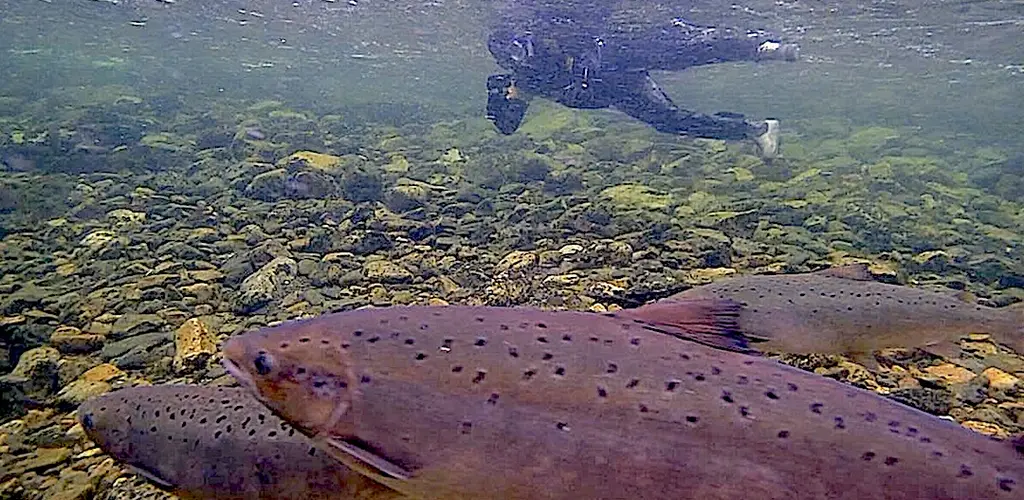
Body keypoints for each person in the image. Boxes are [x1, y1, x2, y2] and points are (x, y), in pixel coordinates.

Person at [485, 16, 799, 159]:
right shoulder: (525, 78)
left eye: (523, 46)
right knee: (669, 120)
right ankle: (755, 130)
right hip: (617, 90)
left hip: (614, 60)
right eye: (512, 54)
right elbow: (506, 127)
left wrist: (582, 64)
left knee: (678, 52)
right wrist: (505, 99)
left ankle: (758, 48)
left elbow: (585, 41)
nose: (523, 56)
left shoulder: (564, 38)